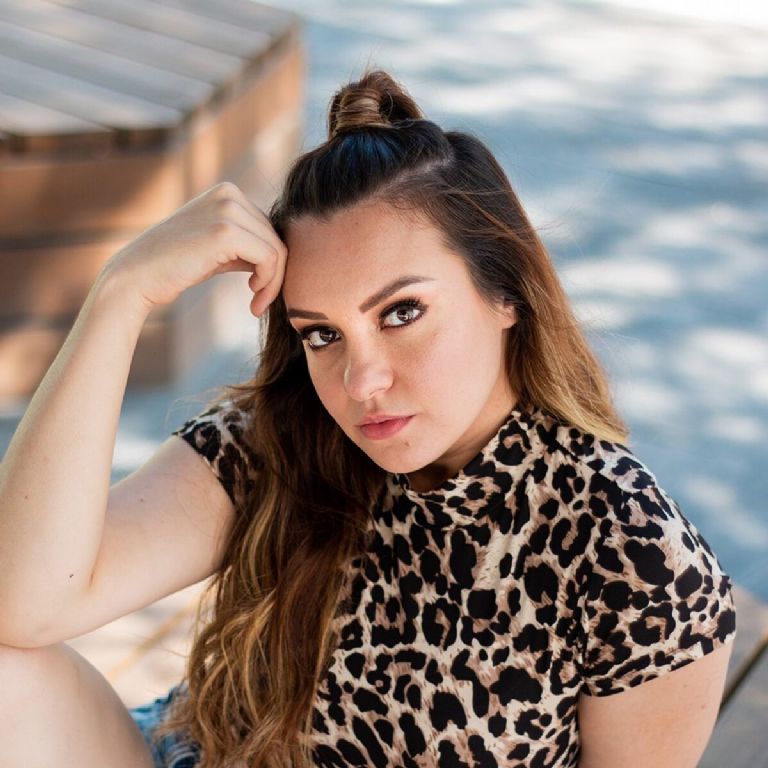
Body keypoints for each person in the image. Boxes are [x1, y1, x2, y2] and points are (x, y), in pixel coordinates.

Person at [0, 69, 736, 768]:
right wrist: (121, 294)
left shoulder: (632, 557)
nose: (361, 381)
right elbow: (22, 605)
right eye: (322, 333)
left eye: (402, 312)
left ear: (506, 294)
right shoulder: (280, 436)